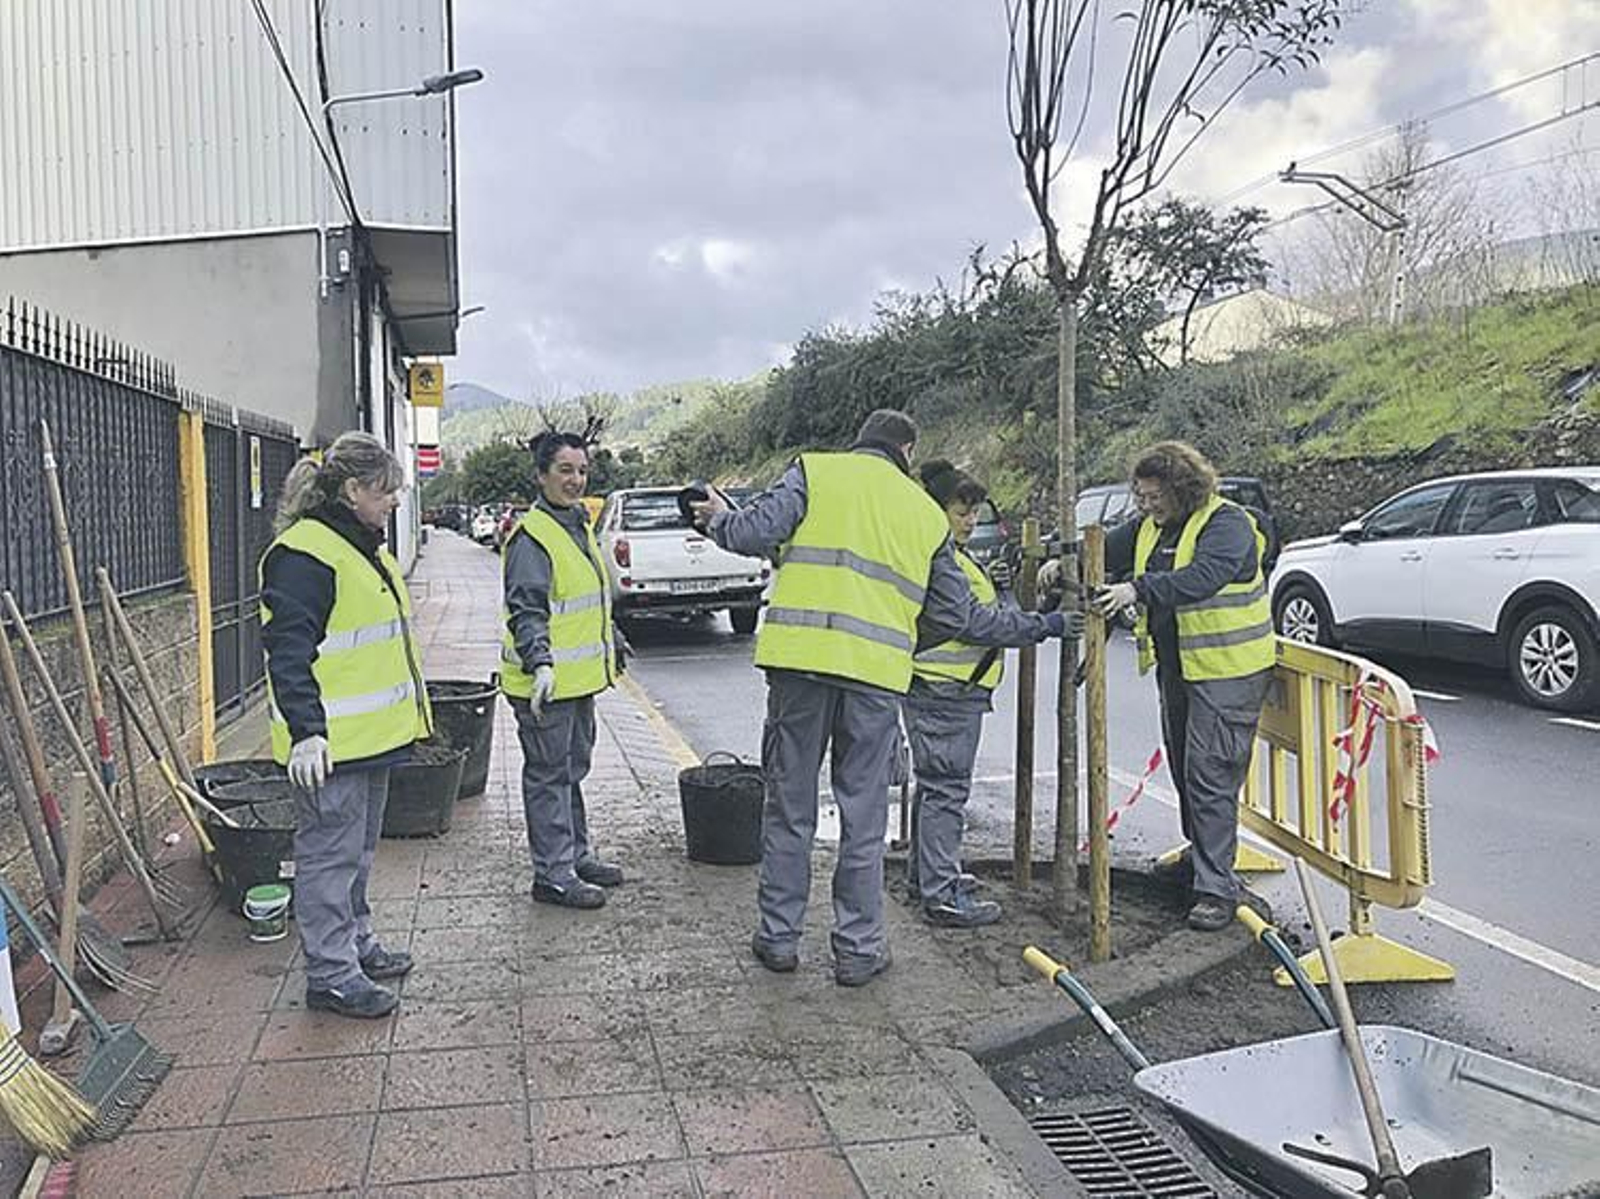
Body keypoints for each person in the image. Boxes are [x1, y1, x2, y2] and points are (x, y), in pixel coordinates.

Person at [692, 410, 1078, 986]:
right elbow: (960, 615)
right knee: (864, 816)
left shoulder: (814, 473)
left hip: (798, 670)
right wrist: (1036, 627)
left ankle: (777, 938)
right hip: (874, 680)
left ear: (860, 440)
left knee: (790, 809)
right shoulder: (924, 513)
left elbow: (751, 534)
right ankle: (859, 949)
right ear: (907, 450)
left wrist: (719, 519)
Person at [261, 432, 430, 1019]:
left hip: (369, 741)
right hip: (329, 747)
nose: (394, 503)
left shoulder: (359, 544)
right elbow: (288, 649)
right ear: (353, 489)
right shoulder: (306, 554)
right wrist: (306, 730)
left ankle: (356, 944)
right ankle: (331, 974)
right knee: (328, 860)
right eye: (386, 492)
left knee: (355, 855)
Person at [1088, 441, 1275, 932]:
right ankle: (1203, 861)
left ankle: (1217, 890)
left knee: (1211, 774)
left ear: (1182, 489)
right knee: (1187, 770)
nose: (1146, 506)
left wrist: (1138, 588)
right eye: (1141, 497)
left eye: (1154, 497)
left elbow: (1202, 577)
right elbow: (1106, 544)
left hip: (1228, 671)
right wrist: (1061, 558)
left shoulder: (1227, 525)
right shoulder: (1152, 526)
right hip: (1182, 670)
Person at [904, 461, 1054, 928]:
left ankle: (927, 876)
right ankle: (941, 893)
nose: (971, 521)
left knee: (935, 789)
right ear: (935, 510)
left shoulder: (952, 552)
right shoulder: (937, 555)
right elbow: (974, 623)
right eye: (961, 511)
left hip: (947, 690)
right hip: (943, 691)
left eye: (974, 512)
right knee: (946, 790)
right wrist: (1043, 626)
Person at [501, 432, 626, 911]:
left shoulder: (577, 524)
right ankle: (553, 874)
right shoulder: (535, 536)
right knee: (549, 775)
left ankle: (574, 855)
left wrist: (611, 637)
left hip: (578, 683)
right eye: (565, 471)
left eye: (581, 471)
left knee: (571, 769)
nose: (576, 480)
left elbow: (585, 599)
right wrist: (541, 663)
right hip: (544, 686)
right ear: (541, 476)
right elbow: (527, 608)